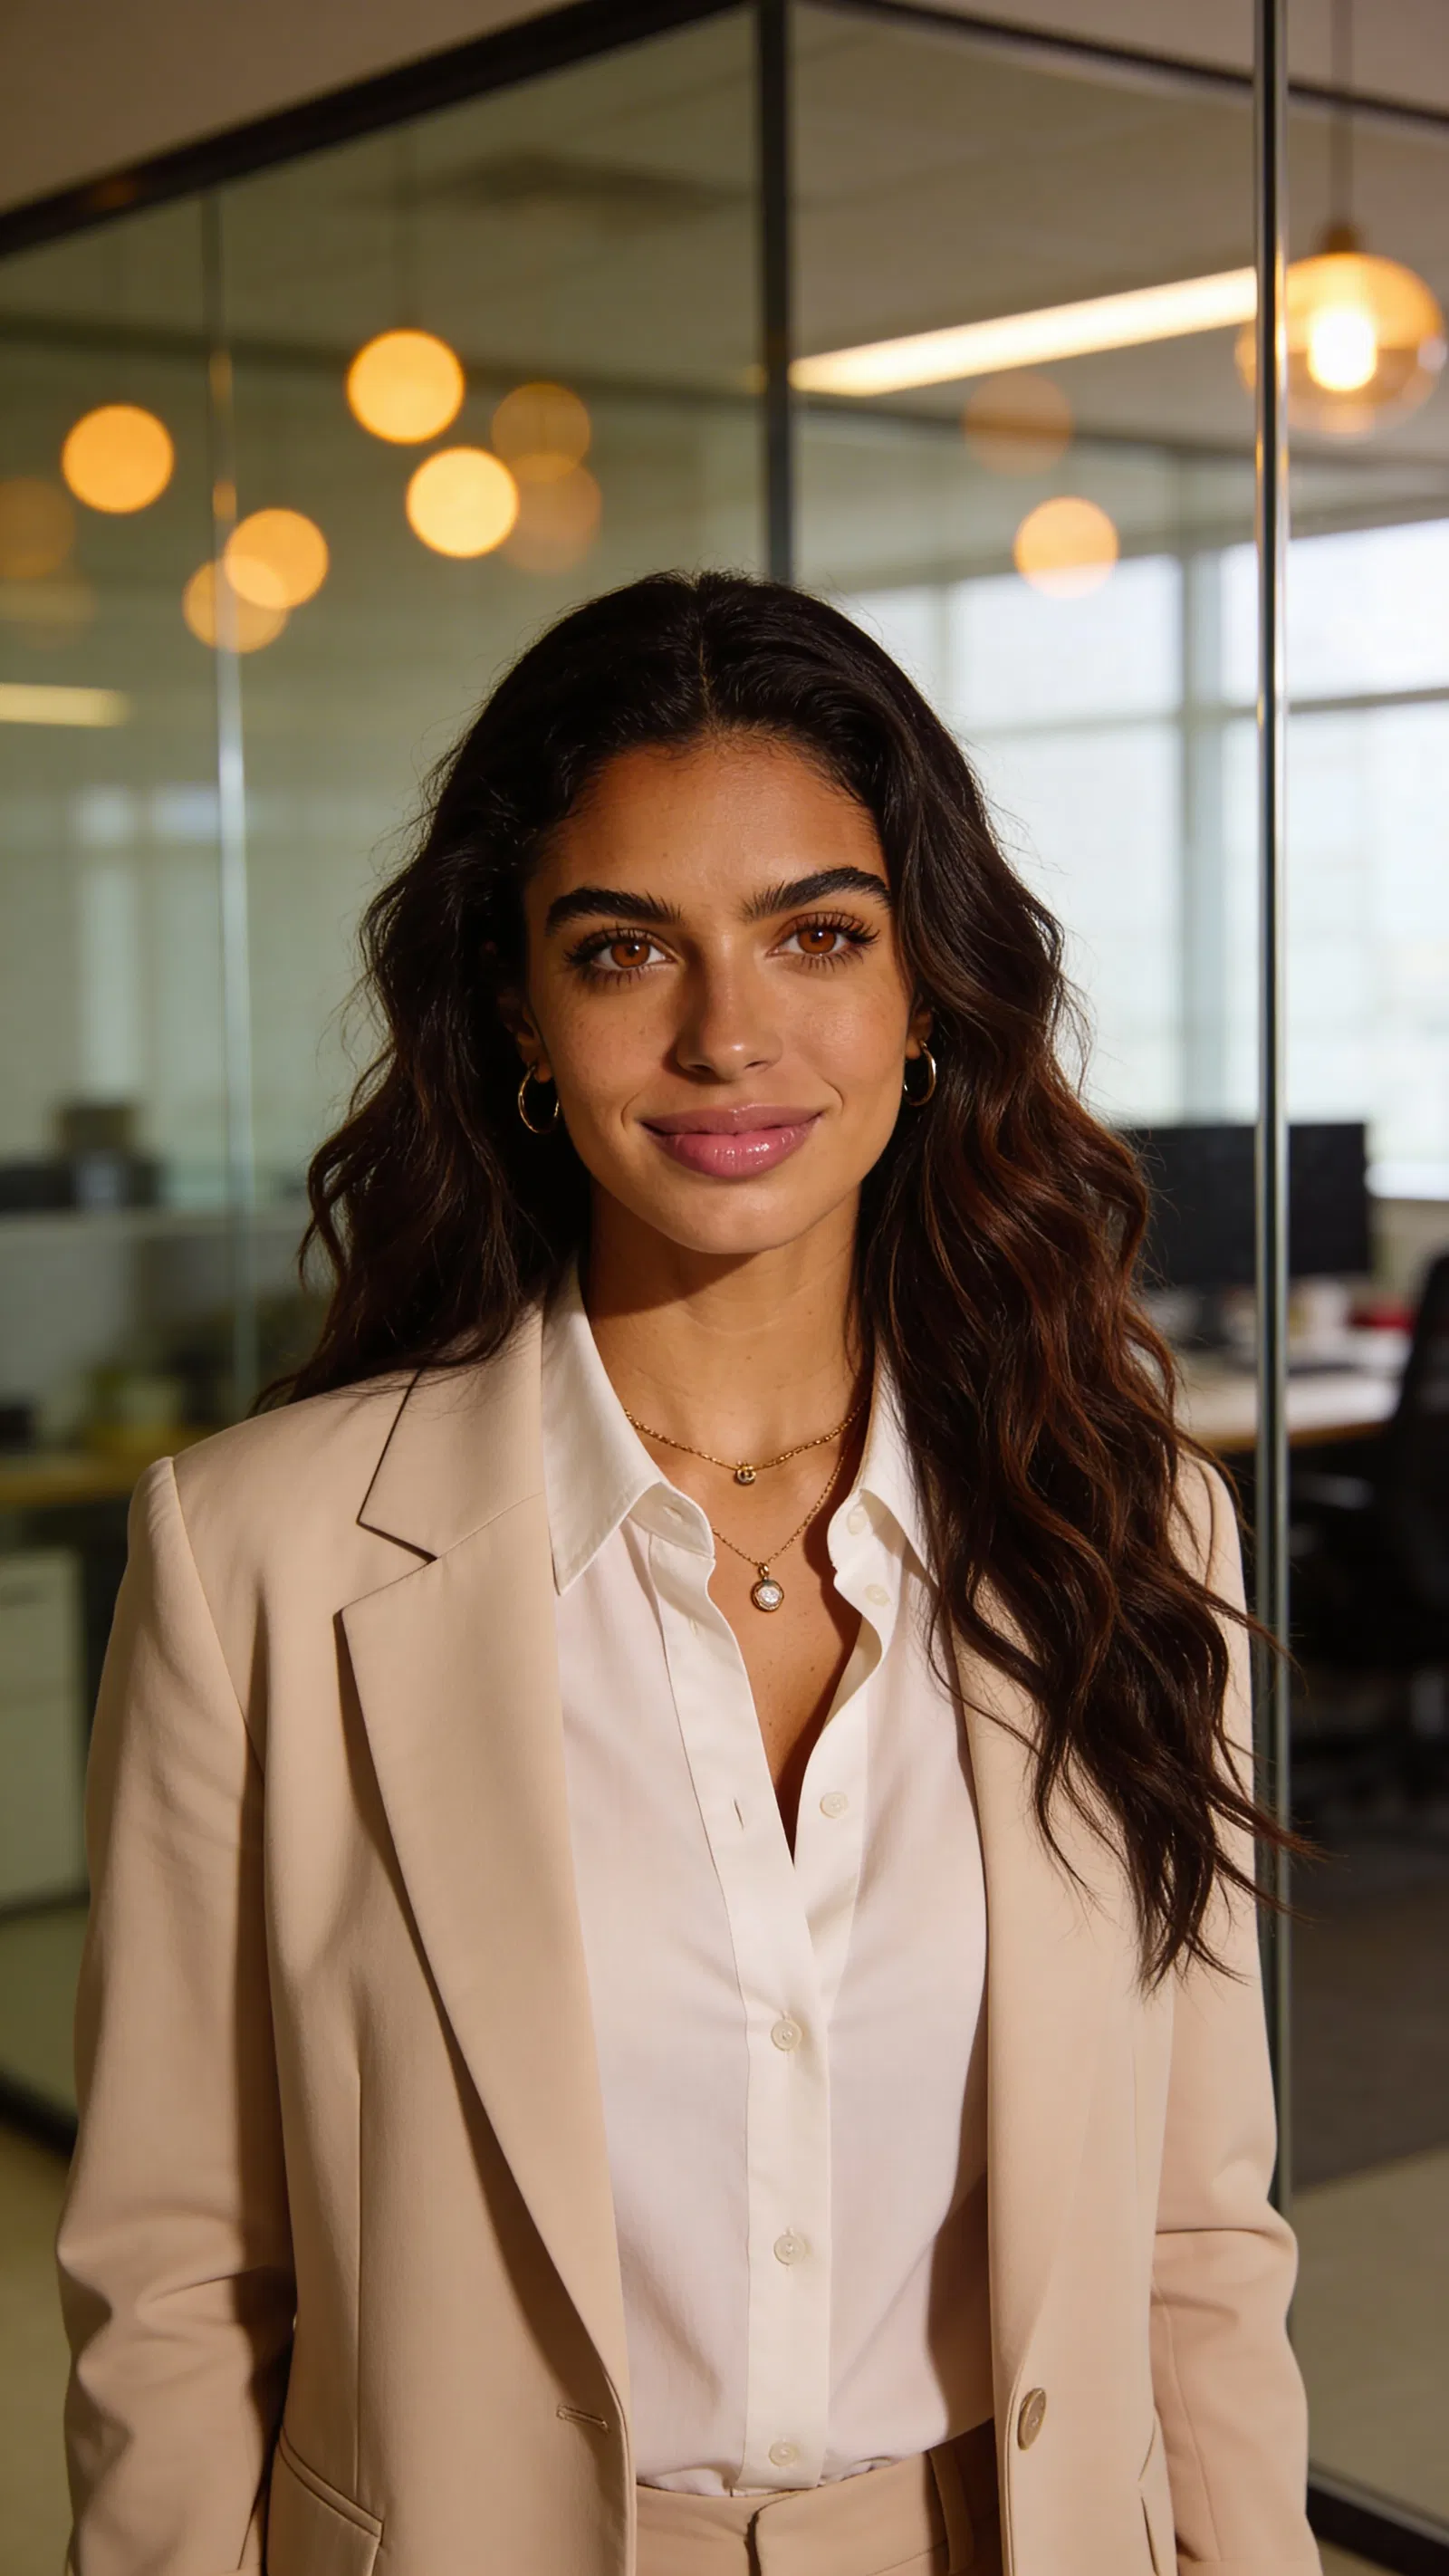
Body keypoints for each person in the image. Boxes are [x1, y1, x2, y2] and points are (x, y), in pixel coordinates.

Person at [57, 571, 1319, 2576]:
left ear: (928, 1000)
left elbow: (1189, 2231)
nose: (729, 1035)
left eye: (816, 934)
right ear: (519, 1017)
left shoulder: (1124, 1527)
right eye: (625, 947)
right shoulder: (260, 1559)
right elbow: (179, 2280)